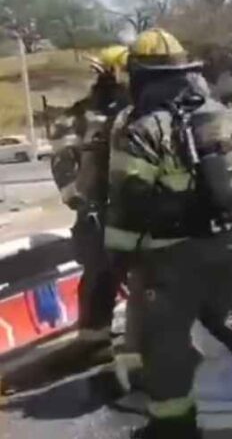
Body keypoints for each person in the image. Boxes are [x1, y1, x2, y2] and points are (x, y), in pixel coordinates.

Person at [103, 29, 232, 439]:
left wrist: (119, 260)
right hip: (225, 243)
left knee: (163, 341)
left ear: (141, 76)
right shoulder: (221, 116)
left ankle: (173, 425)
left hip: (169, 256)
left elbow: (129, 202)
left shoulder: (141, 130)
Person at [47, 44, 140, 386]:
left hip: (138, 213)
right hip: (99, 217)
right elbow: (63, 166)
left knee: (147, 282)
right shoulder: (80, 117)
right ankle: (96, 344)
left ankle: (143, 349)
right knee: (101, 280)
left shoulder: (142, 110)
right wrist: (82, 203)